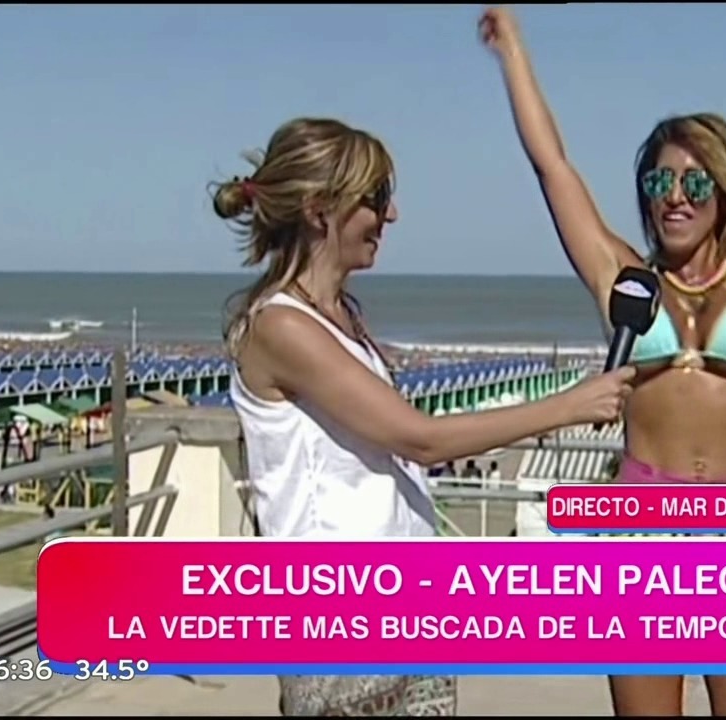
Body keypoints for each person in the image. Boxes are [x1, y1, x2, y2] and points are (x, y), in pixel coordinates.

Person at [480, 5, 726, 716]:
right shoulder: (623, 279)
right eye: (659, 184)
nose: (676, 198)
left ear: (724, 188)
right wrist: (512, 50)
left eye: (694, 182)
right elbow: (552, 166)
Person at [210, 116, 636, 717]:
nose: (391, 215)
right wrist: (568, 405)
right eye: (376, 197)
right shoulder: (282, 326)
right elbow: (421, 439)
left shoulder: (337, 316)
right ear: (318, 209)